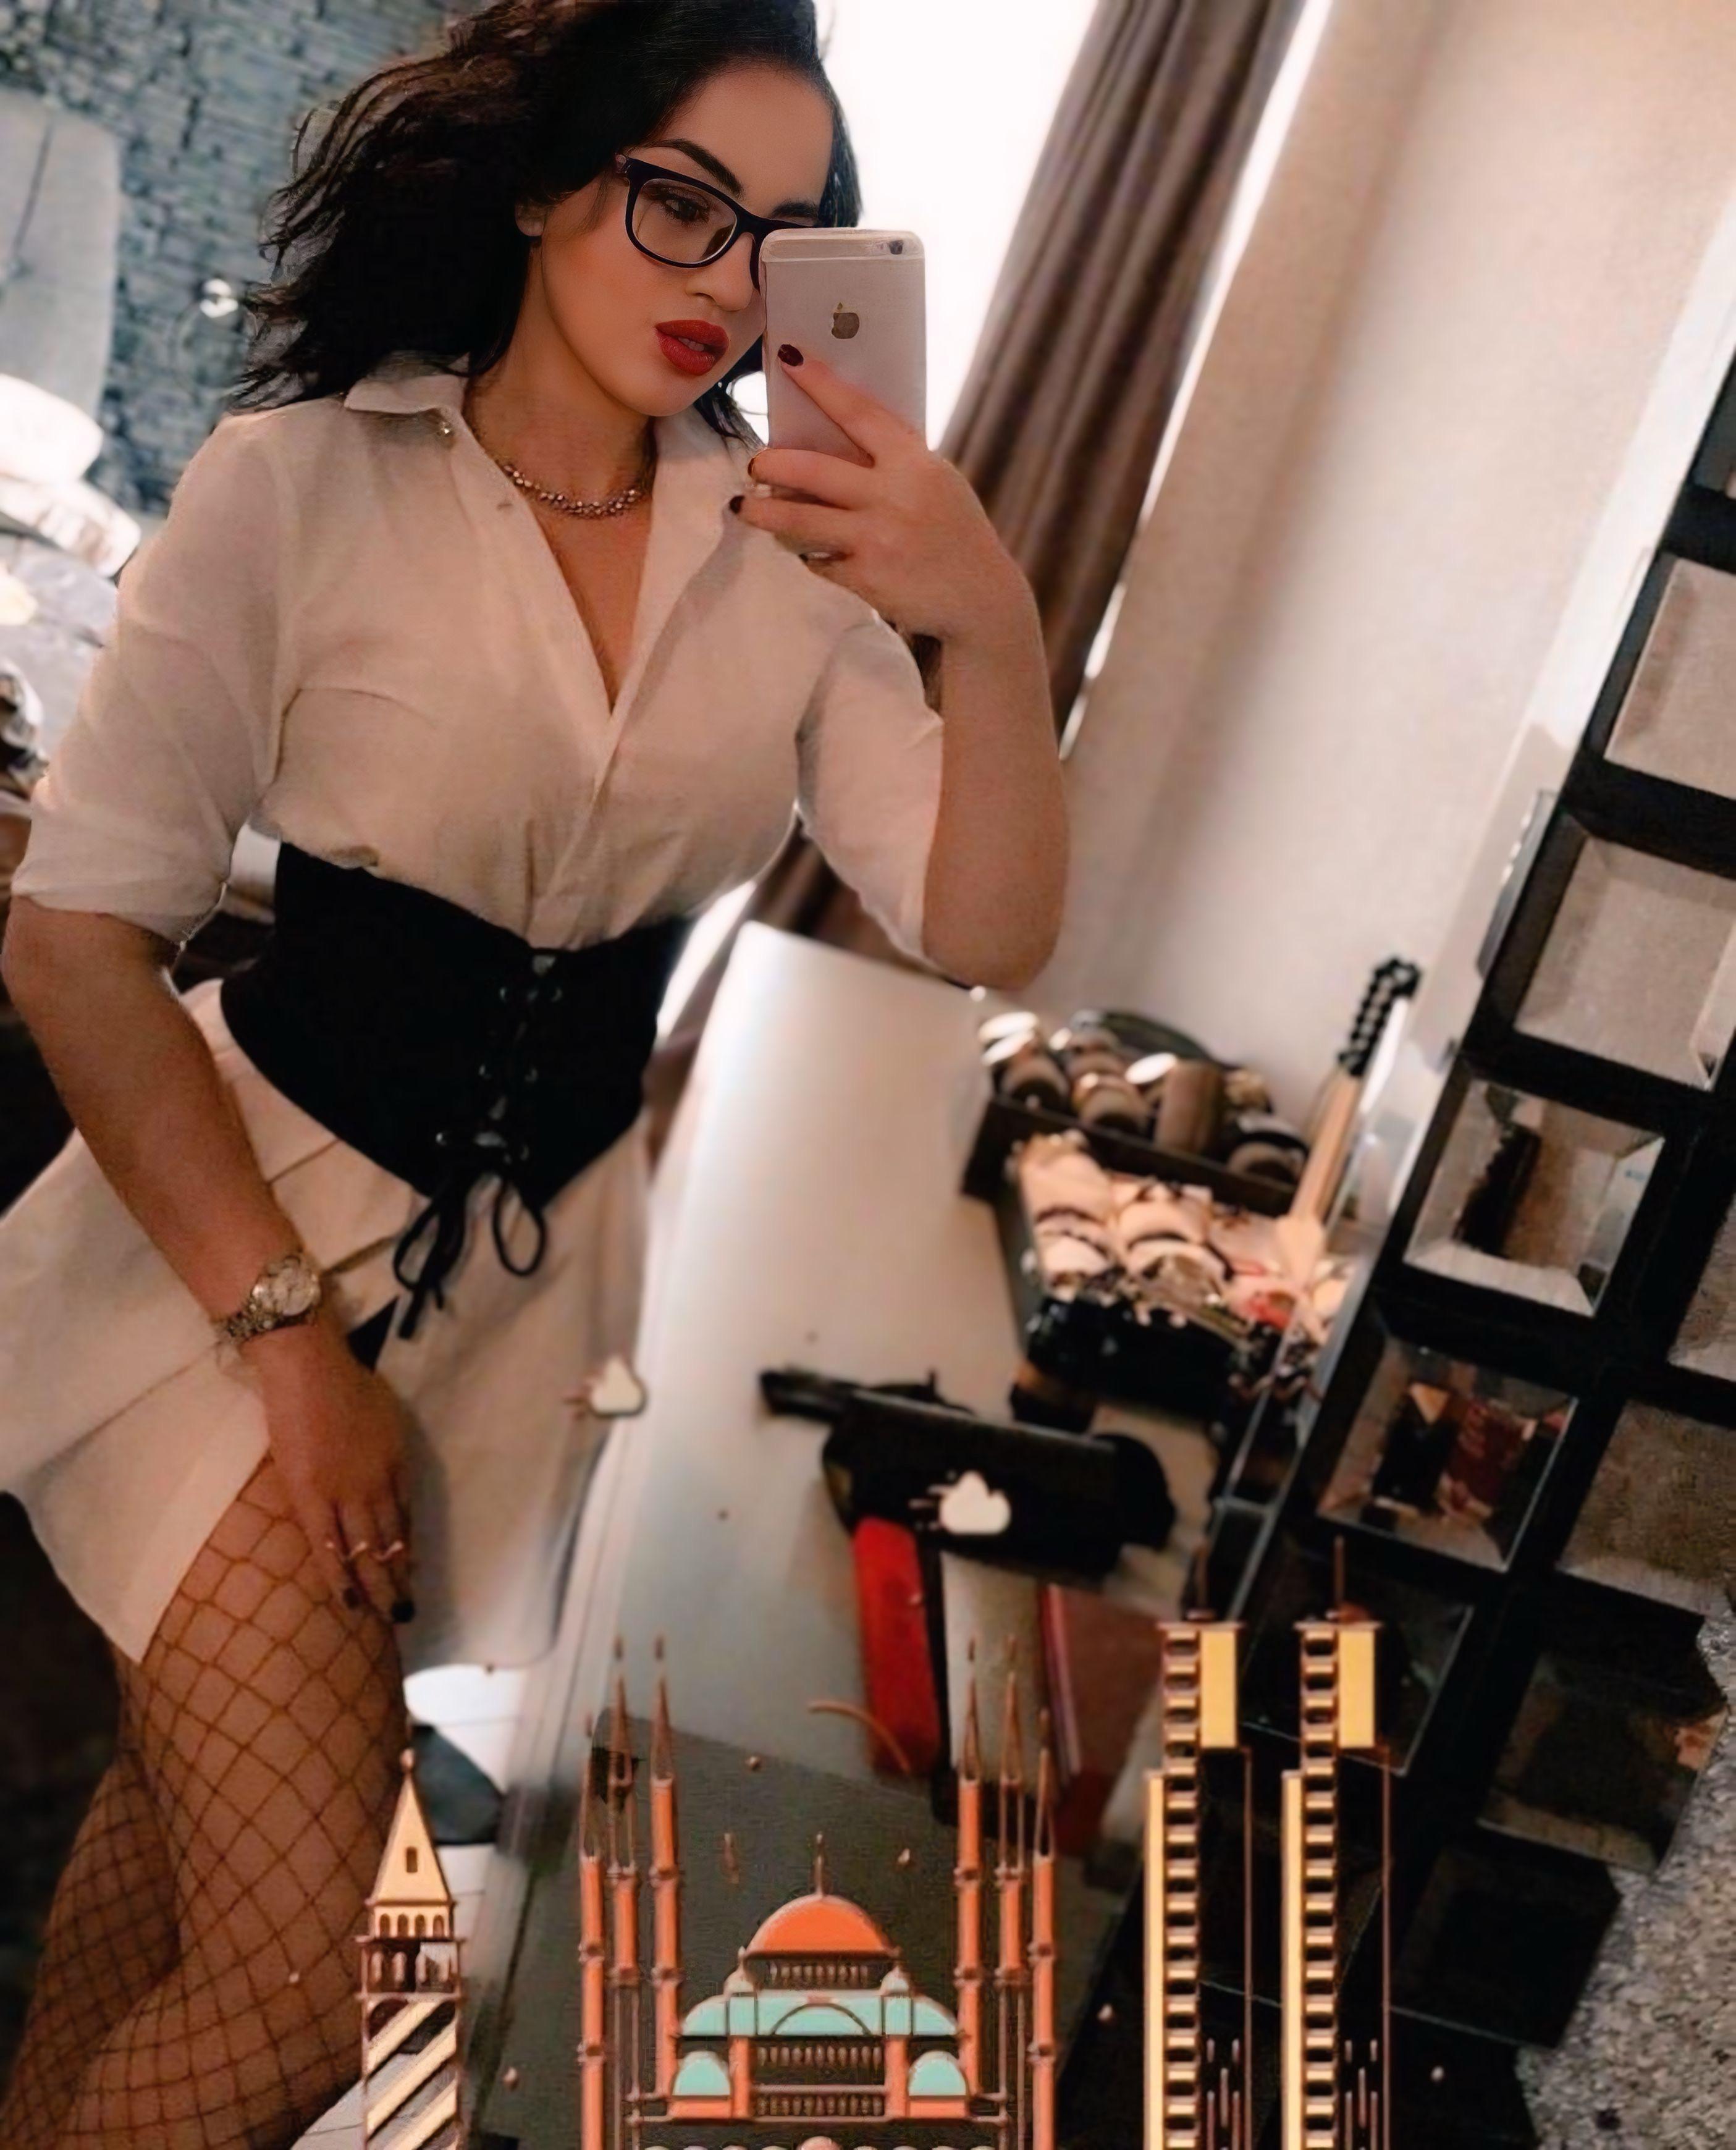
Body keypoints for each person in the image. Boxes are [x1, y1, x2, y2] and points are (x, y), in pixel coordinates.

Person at [0, 0, 1066, 2140]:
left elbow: (985, 925)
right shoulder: (302, 485)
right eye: (677, 203)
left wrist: (990, 625)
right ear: (539, 190)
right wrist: (285, 1343)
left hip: (506, 1326)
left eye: (779, 236)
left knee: (174, 1881)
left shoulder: (786, 564)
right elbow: (73, 938)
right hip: (227, 1264)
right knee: (312, 1981)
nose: (724, 279)